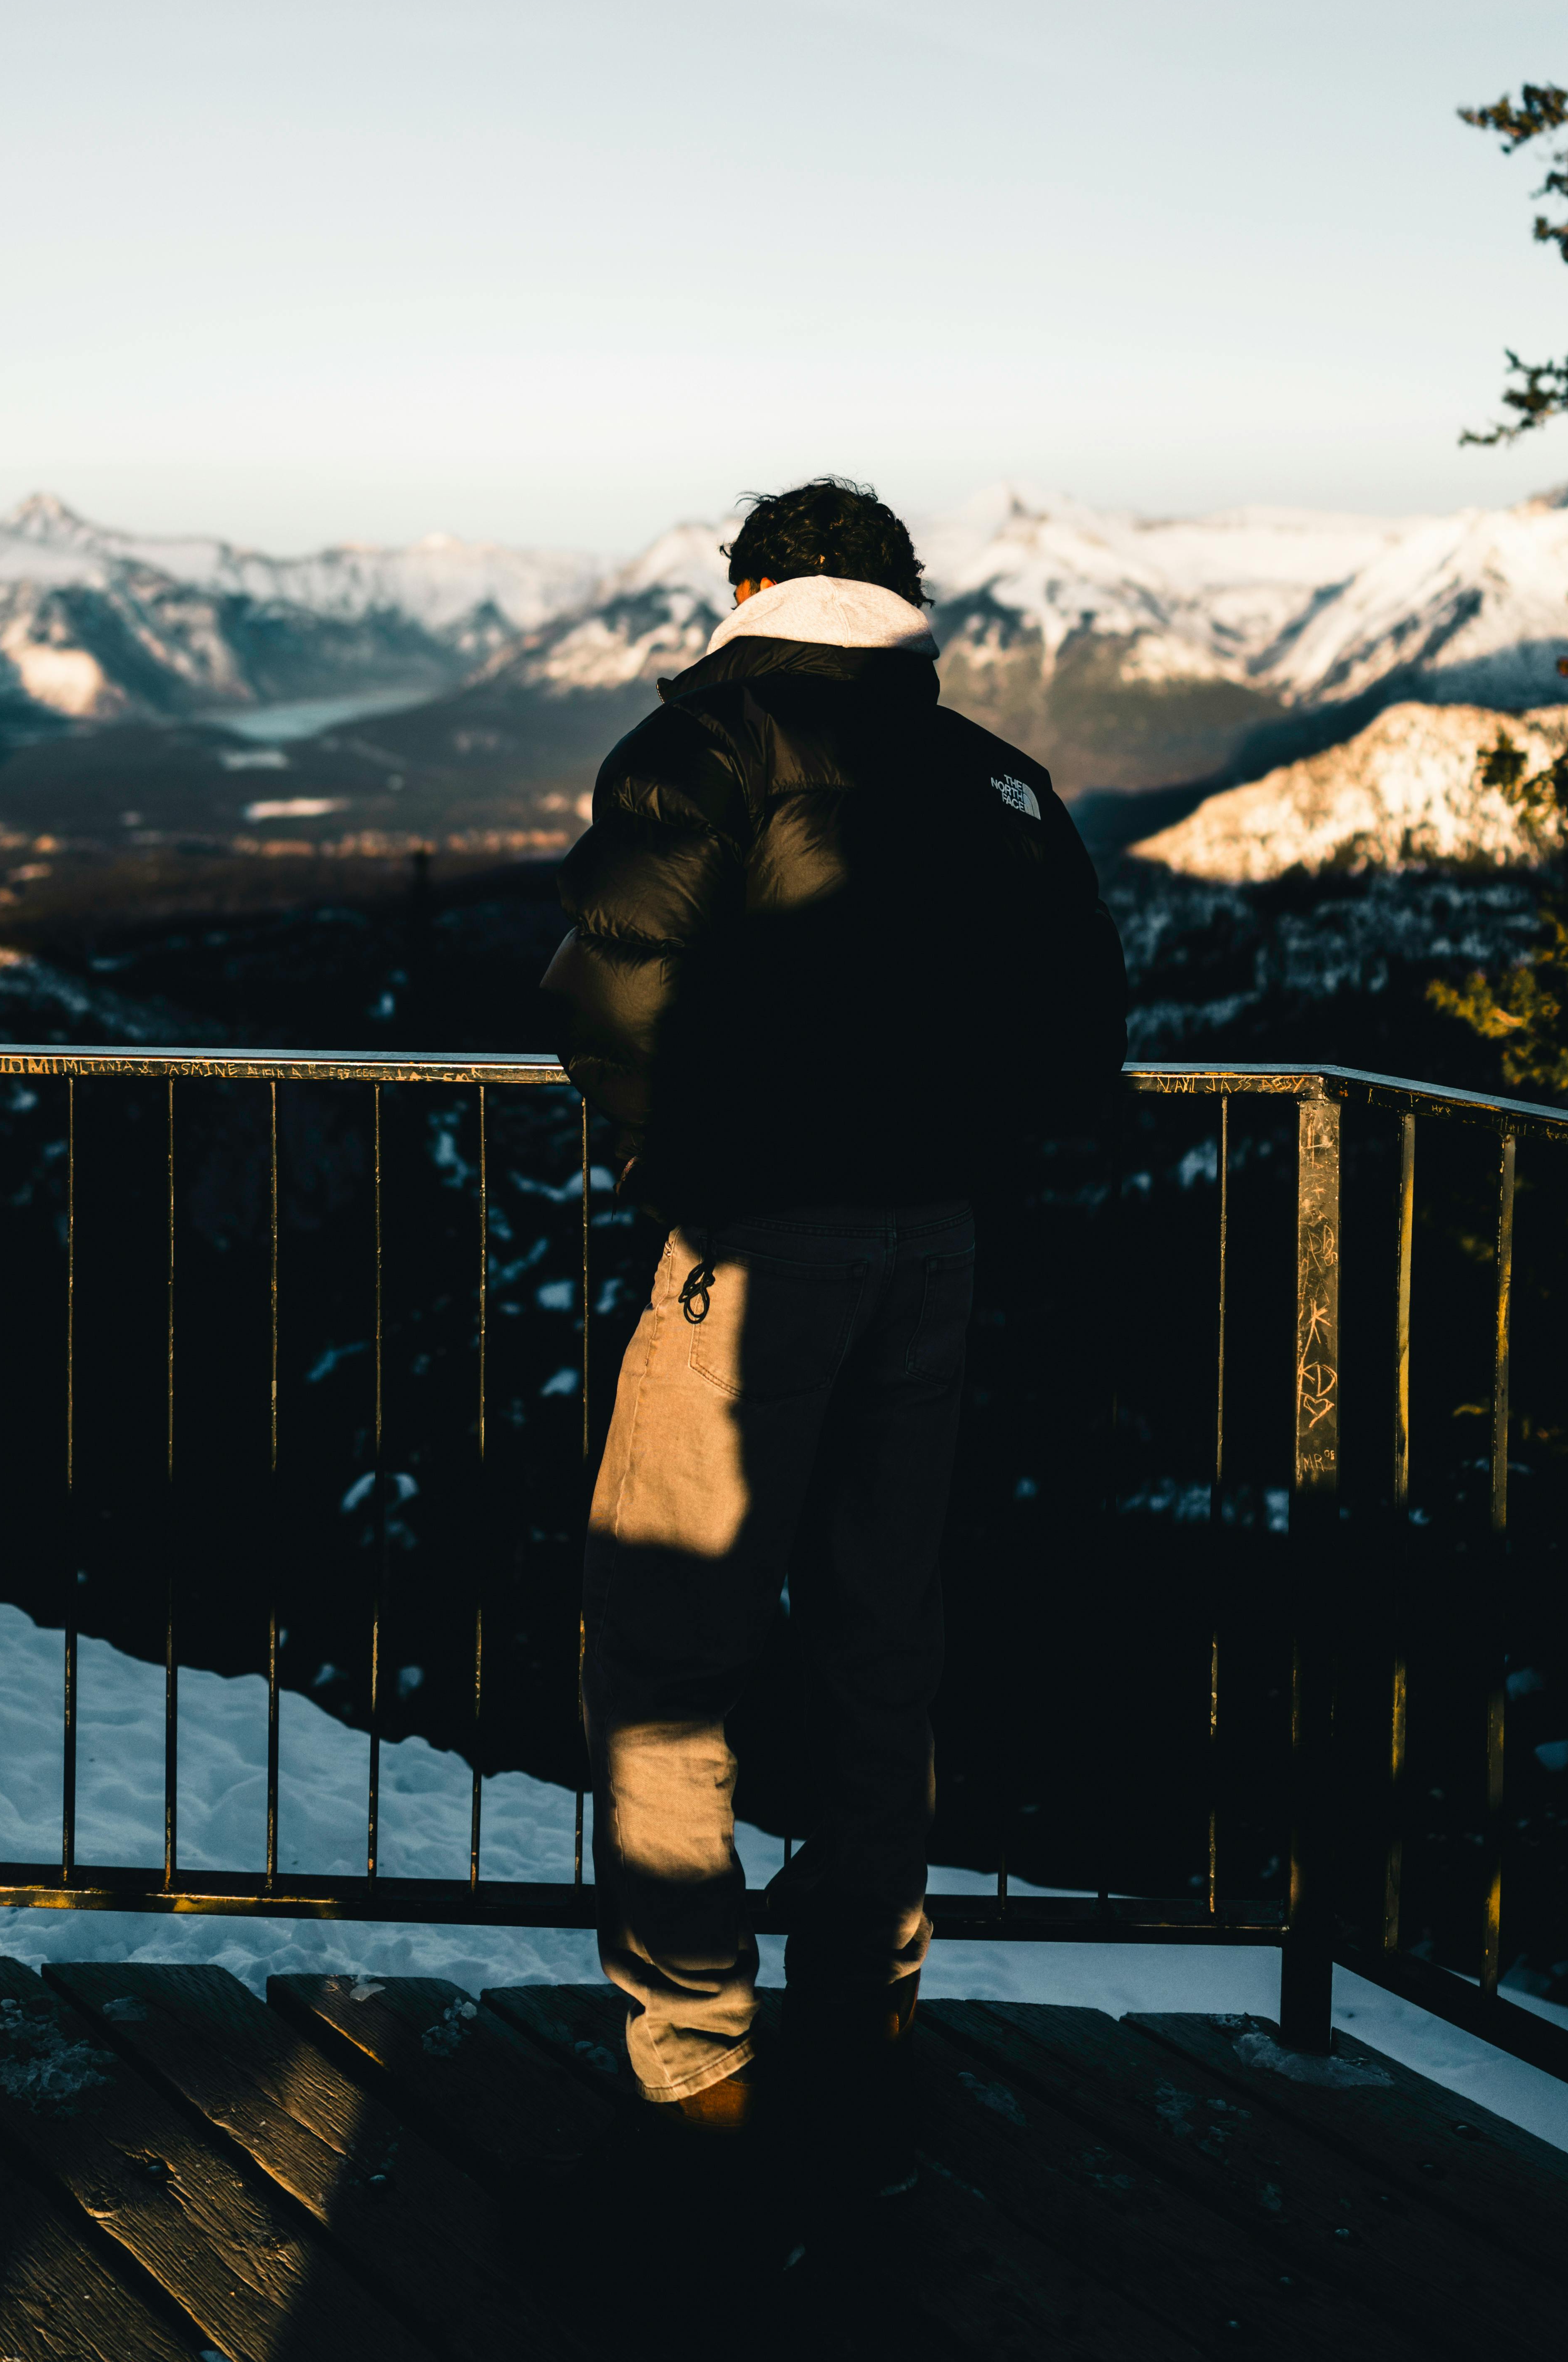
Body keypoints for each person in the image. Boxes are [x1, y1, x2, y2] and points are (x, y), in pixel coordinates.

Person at [541, 475, 1126, 2192]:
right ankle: (862, 2013)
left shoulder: (709, 745)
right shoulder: (992, 774)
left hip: (749, 1251)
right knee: (882, 1635)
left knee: (666, 1644)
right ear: (901, 602)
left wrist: (693, 1156)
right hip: (932, 1249)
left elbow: (608, 987)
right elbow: (1081, 1023)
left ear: (747, 587)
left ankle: (694, 2054)